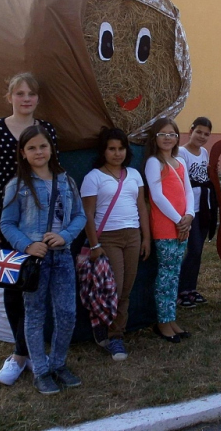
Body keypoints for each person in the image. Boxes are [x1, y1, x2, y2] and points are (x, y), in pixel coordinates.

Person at [0, 72, 57, 386]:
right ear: (9, 97)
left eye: (32, 94)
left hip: (41, 222)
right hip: (8, 221)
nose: (26, 99)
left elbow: (55, 173)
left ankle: (36, 347)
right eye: (20, 93)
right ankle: (19, 354)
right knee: (13, 285)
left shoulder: (46, 130)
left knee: (39, 284)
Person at [0, 126, 87, 395]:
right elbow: (7, 223)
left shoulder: (66, 181)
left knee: (67, 313)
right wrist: (27, 244)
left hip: (61, 257)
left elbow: (80, 216)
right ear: (23, 154)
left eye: (43, 146)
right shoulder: (18, 185)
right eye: (32, 148)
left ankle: (58, 363)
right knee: (35, 314)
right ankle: (39, 369)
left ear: (51, 149)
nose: (38, 152)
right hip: (34, 262)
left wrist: (65, 236)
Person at [80, 127, 151, 361]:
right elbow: (87, 215)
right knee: (114, 288)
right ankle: (108, 331)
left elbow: (142, 207)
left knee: (127, 288)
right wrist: (94, 245)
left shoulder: (134, 174)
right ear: (104, 151)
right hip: (107, 238)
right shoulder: (94, 177)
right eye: (112, 149)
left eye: (121, 148)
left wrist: (146, 237)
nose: (117, 153)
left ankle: (117, 334)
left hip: (133, 236)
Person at [144, 118, 195, 343]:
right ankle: (163, 323)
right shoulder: (154, 162)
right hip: (166, 227)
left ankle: (171, 318)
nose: (167, 137)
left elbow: (188, 192)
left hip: (183, 226)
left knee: (175, 275)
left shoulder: (179, 162)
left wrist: (190, 215)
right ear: (155, 137)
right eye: (162, 134)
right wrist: (178, 220)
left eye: (172, 134)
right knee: (166, 275)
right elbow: (156, 196)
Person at [178, 117, 217, 308]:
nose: (202, 136)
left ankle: (191, 289)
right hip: (190, 208)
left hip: (204, 206)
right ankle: (181, 290)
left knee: (198, 250)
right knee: (192, 249)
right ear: (191, 130)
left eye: (206, 134)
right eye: (199, 132)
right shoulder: (181, 153)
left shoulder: (204, 152)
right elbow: (181, 183)